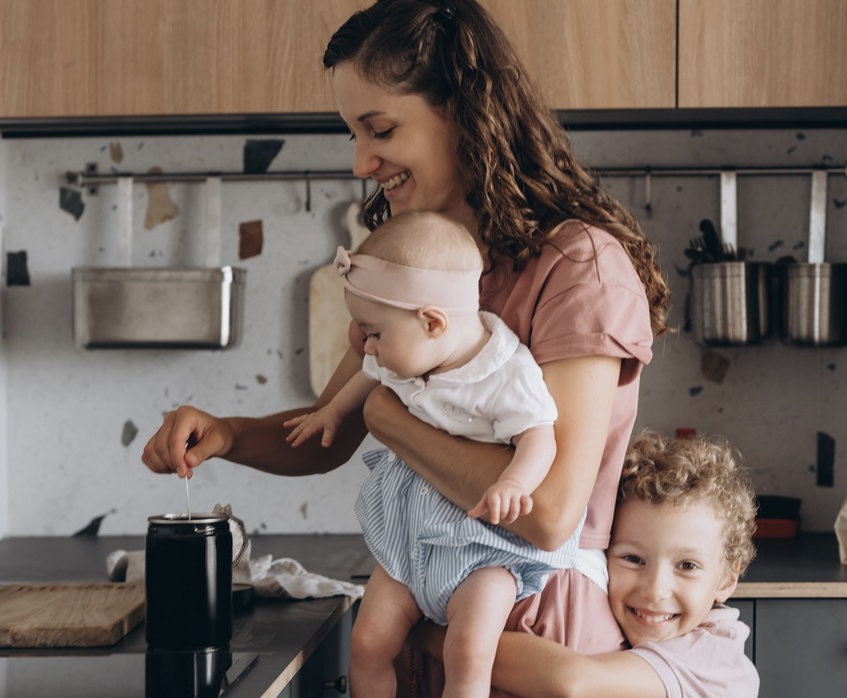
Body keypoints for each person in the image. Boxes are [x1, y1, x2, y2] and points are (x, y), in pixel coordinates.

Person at [142, 0, 670, 693]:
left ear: (465, 112)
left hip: (535, 632)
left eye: (380, 128)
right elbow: (332, 427)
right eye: (353, 134)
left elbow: (546, 514)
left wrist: (388, 418)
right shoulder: (410, 266)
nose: (362, 162)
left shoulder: (576, 267)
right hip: (427, 623)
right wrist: (226, 434)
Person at [283, 209, 579, 697]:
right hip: (408, 540)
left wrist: (514, 483)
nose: (367, 348)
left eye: (373, 333)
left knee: (469, 654)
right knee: (369, 641)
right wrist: (332, 412)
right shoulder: (408, 352)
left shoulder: (505, 372)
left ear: (433, 321)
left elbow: (540, 436)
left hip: (487, 549)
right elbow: (366, 377)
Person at [415, 430, 760, 698]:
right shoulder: (619, 622)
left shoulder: (718, 658)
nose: (655, 590)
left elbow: (572, 682)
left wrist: (433, 635)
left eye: (687, 566)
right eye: (633, 559)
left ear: (728, 578)